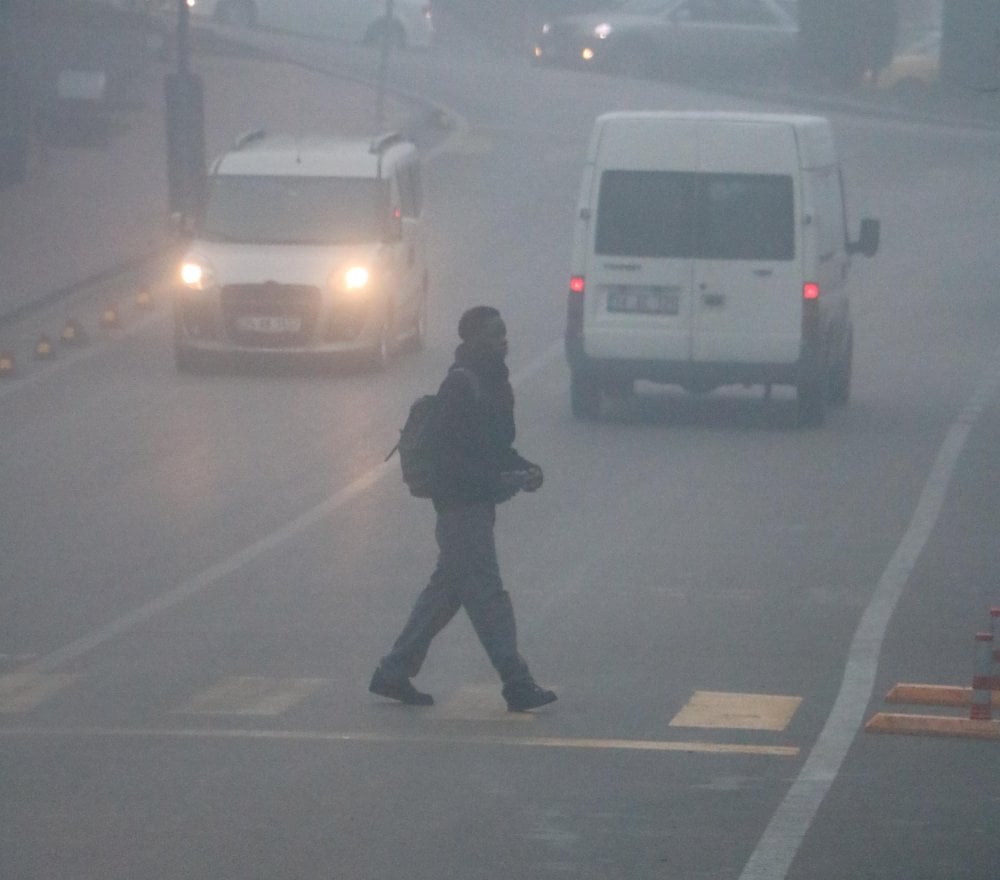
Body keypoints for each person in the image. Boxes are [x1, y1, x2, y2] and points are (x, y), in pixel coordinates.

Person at [370, 306, 557, 712]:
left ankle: (395, 670)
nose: (502, 340)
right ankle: (517, 681)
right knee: (488, 596)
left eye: (503, 333)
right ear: (471, 341)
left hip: (476, 505)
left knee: (447, 592)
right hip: (459, 508)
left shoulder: (495, 384)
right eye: (493, 335)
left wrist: (523, 470)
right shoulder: (461, 385)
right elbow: (451, 460)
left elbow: (497, 448)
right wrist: (498, 481)